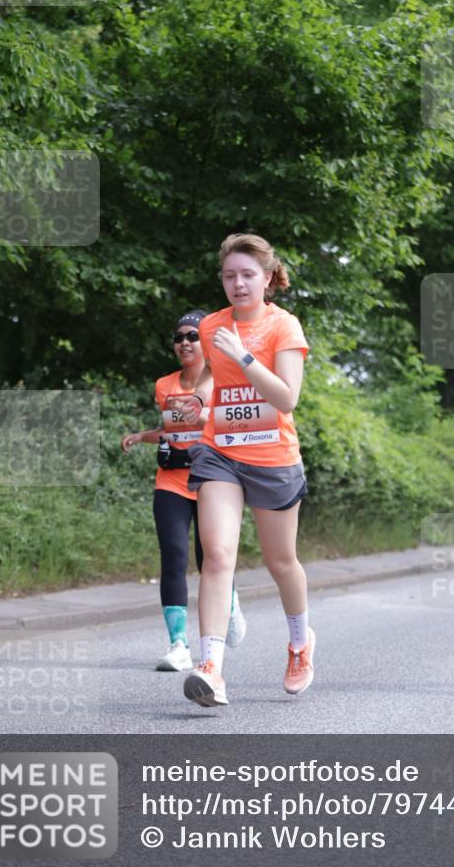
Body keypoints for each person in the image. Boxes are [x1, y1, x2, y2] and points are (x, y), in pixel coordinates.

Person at [174, 232, 313, 708]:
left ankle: (300, 643)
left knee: (280, 562)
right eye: (230, 275)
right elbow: (213, 372)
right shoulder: (213, 326)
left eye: (248, 275)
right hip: (221, 452)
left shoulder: (284, 327)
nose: (238, 283)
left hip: (273, 457)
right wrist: (199, 398)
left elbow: (286, 398)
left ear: (268, 278)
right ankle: (211, 668)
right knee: (216, 555)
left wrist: (244, 356)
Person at [120, 310, 246, 672]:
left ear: (207, 342)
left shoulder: (225, 381)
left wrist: (197, 411)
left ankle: (230, 602)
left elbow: (231, 425)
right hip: (172, 481)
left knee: (211, 560)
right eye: (179, 337)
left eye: (193, 336)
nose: (185, 342)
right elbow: (173, 429)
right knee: (173, 556)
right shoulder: (165, 385)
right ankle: (178, 644)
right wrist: (143, 436)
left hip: (212, 481)